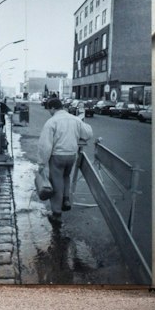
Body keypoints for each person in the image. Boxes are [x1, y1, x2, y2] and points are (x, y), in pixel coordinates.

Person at [35, 93, 94, 223]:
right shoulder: (75, 119)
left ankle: (56, 214)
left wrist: (41, 163)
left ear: (52, 108)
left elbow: (45, 145)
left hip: (57, 156)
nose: (49, 112)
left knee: (56, 183)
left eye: (49, 109)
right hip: (71, 155)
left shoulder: (52, 122)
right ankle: (66, 200)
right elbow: (88, 133)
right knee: (66, 177)